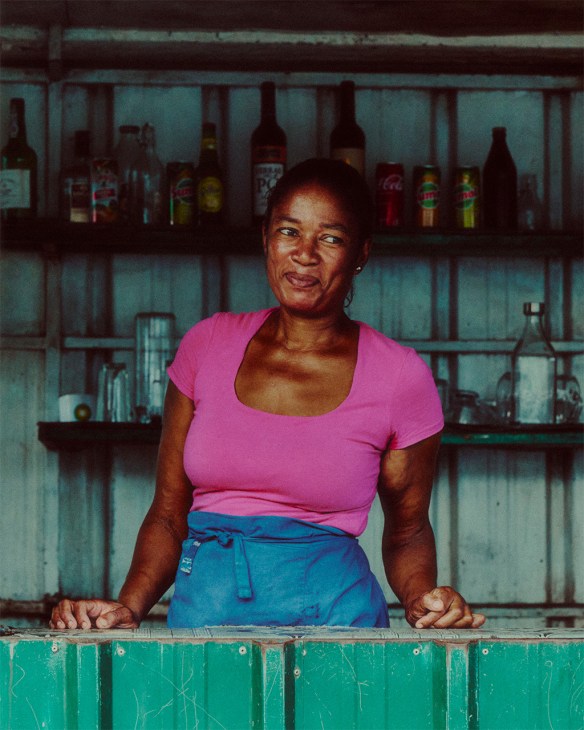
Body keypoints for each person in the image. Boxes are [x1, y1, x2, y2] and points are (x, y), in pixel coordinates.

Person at [50, 158, 485, 631]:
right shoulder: (208, 345)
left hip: (337, 629)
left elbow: (407, 531)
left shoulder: (399, 377)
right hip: (205, 623)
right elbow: (169, 515)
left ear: (361, 253)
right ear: (265, 237)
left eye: (331, 238)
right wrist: (128, 608)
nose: (305, 254)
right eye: (289, 231)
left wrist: (425, 599)